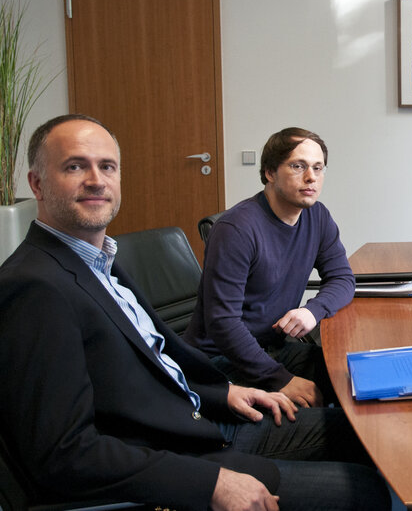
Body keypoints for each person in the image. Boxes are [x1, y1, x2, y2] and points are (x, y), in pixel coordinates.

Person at [0, 115, 389, 511]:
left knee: (361, 431)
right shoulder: (35, 287)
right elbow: (62, 454)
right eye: (74, 166)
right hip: (179, 453)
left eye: (108, 166)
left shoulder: (100, 263)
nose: (96, 180)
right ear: (37, 184)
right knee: (365, 491)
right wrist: (210, 483)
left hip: (203, 412)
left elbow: (148, 370)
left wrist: (226, 392)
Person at [184, 128, 354, 408]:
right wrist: (282, 379)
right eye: (298, 166)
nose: (311, 177)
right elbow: (222, 324)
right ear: (270, 173)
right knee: (337, 421)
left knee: (354, 380)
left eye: (318, 168)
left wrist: (312, 311)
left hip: (272, 349)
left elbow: (343, 279)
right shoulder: (236, 229)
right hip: (220, 362)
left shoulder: (317, 216)